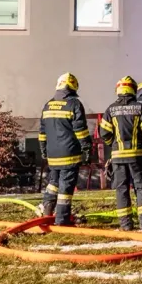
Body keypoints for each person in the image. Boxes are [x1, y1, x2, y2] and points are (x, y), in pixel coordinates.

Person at [97, 76, 142, 232]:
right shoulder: (140, 108)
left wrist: (115, 144)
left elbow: (104, 133)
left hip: (118, 157)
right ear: (133, 89)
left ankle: (125, 225)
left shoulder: (110, 110)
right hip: (137, 156)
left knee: (121, 189)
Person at [38, 72, 91, 226]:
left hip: (52, 156)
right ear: (74, 87)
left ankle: (47, 212)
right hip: (70, 155)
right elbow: (81, 131)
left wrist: (44, 151)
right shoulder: (74, 104)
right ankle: (62, 220)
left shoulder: (47, 104)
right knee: (65, 188)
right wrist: (87, 149)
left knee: (53, 183)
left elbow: (42, 132)